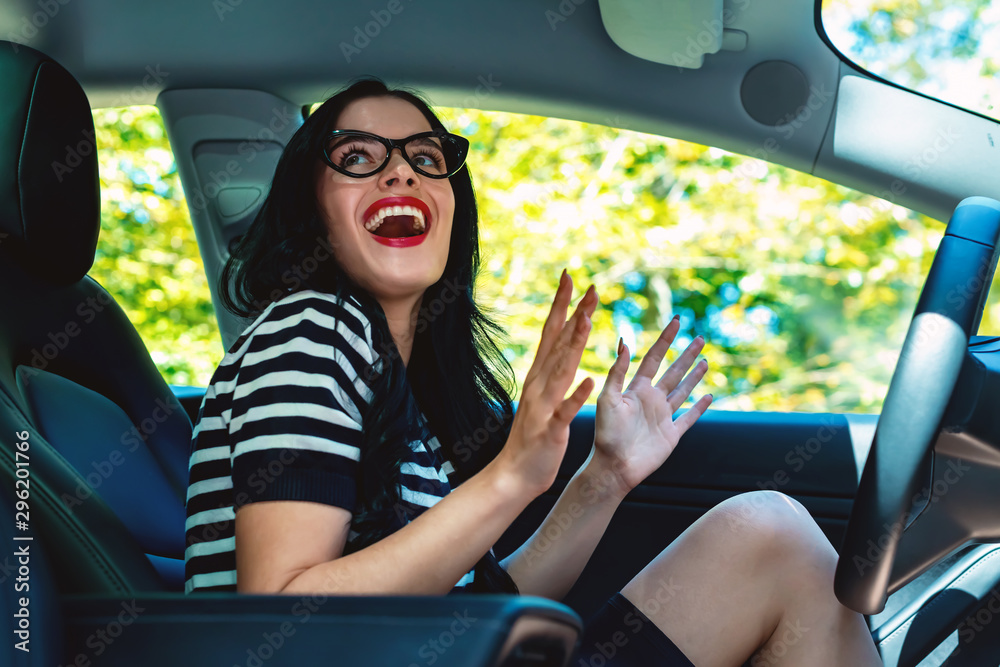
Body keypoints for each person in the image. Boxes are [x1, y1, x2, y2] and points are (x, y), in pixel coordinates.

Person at [184, 78, 882, 666]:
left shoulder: (398, 392)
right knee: (770, 533)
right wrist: (511, 475)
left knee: (770, 532)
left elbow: (483, 609)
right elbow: (280, 623)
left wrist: (602, 478)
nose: (401, 172)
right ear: (314, 214)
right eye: (358, 157)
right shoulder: (311, 330)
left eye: (427, 158)